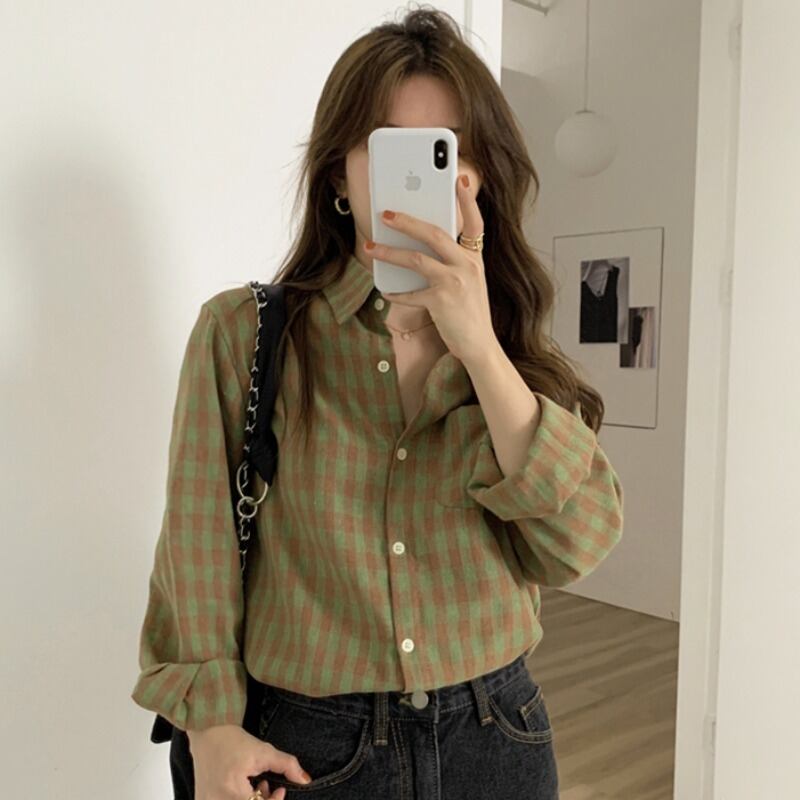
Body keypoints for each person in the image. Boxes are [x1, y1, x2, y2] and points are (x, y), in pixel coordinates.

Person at [131, 7, 624, 800]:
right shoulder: (242, 334)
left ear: (478, 177)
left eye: (446, 151)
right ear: (340, 174)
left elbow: (576, 544)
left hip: (495, 737)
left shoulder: (507, 349)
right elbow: (197, 551)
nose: (422, 180)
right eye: (392, 150)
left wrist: (479, 348)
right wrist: (212, 727)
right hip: (306, 749)